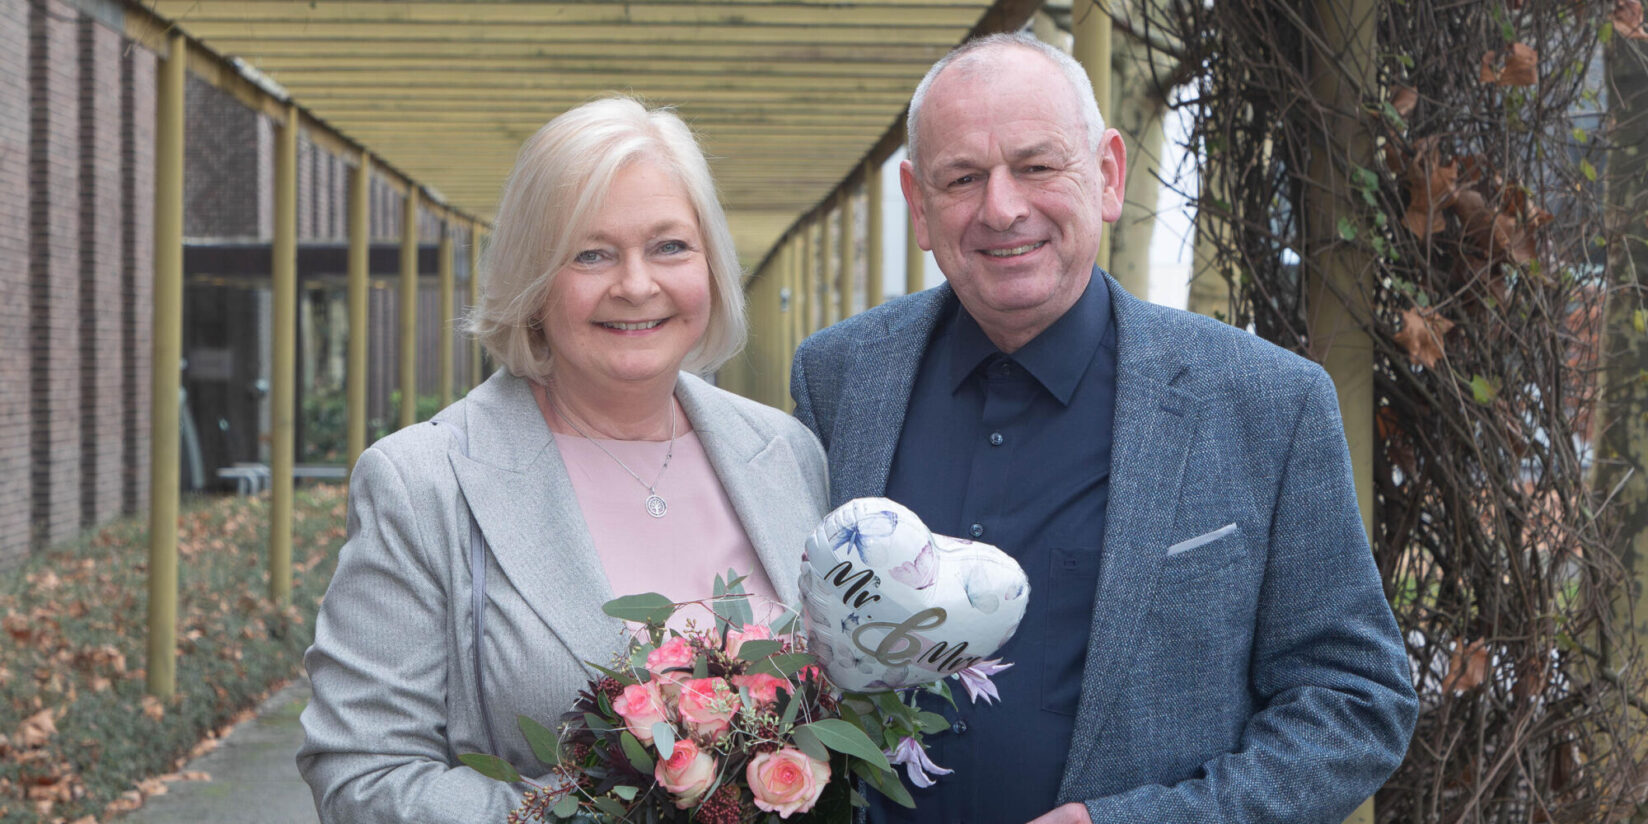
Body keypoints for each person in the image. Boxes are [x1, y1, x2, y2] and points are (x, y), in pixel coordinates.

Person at [791, 33, 1417, 824]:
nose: (1002, 207)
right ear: (919, 204)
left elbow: (1356, 703)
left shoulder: (1266, 404)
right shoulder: (839, 378)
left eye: (1037, 165)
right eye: (962, 178)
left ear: (1109, 175)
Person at [297, 97, 830, 823]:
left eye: (670, 246)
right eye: (592, 253)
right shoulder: (423, 484)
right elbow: (362, 773)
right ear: (533, 281)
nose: (637, 284)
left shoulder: (788, 454)